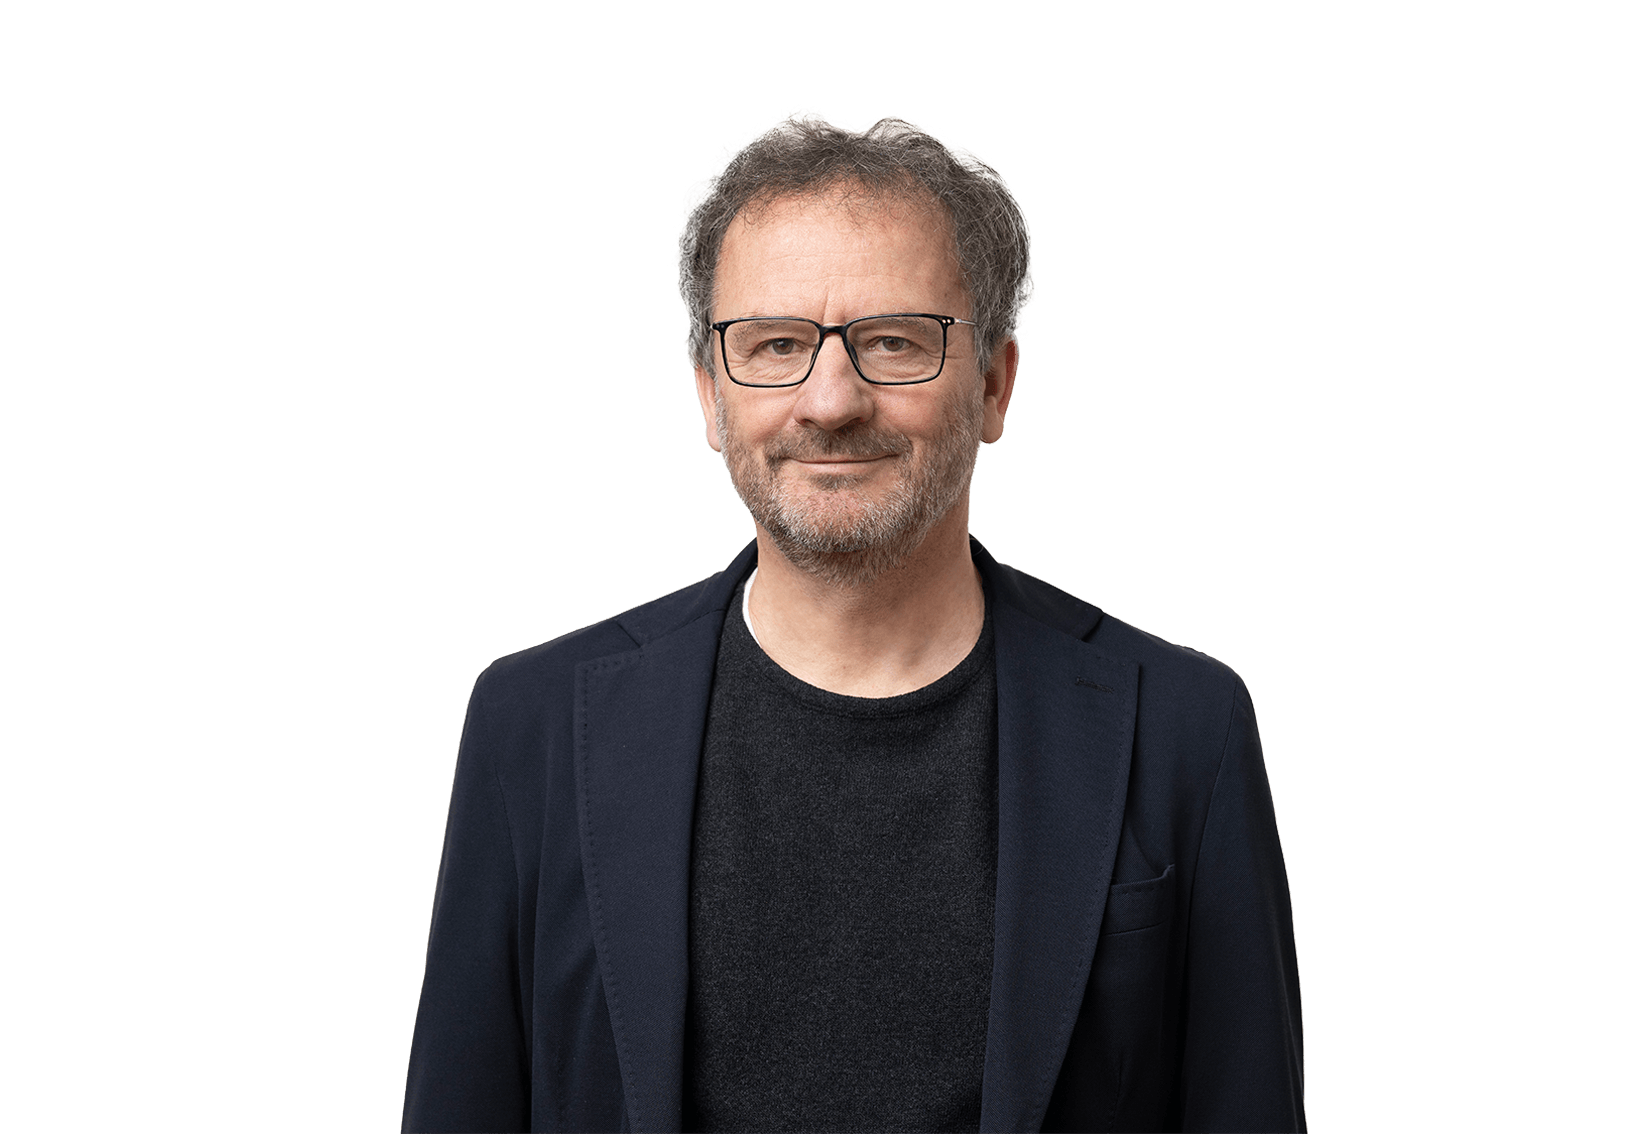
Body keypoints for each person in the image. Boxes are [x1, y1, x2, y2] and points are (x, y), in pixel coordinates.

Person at [403, 110, 1304, 1133]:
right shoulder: (529, 724)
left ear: (996, 384)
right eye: (775, 344)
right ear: (709, 395)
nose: (830, 401)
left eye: (892, 342)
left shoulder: (1186, 728)